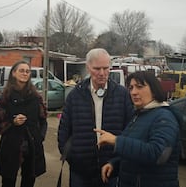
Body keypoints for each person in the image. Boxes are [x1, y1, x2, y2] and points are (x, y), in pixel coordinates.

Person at [57, 48, 134, 187]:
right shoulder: (75, 96)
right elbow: (63, 131)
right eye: (97, 68)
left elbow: (130, 131)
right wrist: (73, 159)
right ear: (88, 67)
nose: (102, 73)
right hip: (80, 172)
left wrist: (117, 161)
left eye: (106, 68)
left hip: (111, 170)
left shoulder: (122, 95)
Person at [95, 71, 182, 187]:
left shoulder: (164, 117)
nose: (133, 92)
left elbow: (158, 154)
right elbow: (135, 153)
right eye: (131, 88)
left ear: (154, 89)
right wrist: (115, 164)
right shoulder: (139, 115)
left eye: (139, 87)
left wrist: (117, 141)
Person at [0, 60, 48, 187]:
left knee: (29, 180)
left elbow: (43, 120)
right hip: (11, 146)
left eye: (28, 71)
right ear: (14, 74)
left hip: (32, 147)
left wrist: (39, 137)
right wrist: (12, 122)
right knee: (8, 181)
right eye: (21, 70)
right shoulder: (6, 97)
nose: (25, 73)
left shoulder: (35, 97)